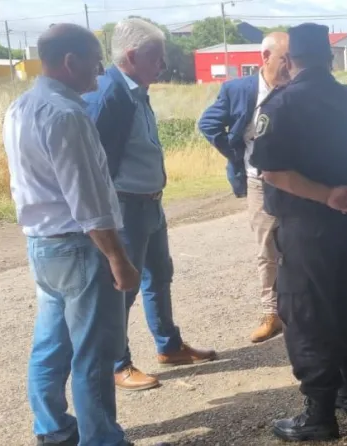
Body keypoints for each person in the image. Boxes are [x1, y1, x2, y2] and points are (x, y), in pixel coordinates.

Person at [249, 23, 347, 442]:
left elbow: (273, 171)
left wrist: (327, 195)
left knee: (308, 313)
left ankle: (319, 414)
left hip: (306, 227)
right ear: (330, 59)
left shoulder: (280, 105)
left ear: (290, 59)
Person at [3, 23, 138, 446]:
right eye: (96, 62)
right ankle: (101, 440)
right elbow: (88, 200)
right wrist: (118, 257)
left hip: (43, 246)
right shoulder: (66, 115)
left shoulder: (21, 106)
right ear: (70, 62)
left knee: (51, 344)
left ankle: (53, 428)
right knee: (93, 354)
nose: (99, 71)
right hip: (79, 247)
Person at [83, 17, 217, 393]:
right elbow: (98, 165)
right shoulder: (109, 95)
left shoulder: (136, 90)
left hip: (150, 205)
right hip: (126, 208)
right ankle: (117, 363)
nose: (162, 65)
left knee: (159, 275)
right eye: (155, 57)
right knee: (122, 287)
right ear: (130, 56)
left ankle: (169, 346)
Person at [198, 32, 290, 343]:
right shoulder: (237, 90)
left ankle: (300, 308)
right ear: (265, 58)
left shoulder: (296, 89)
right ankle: (271, 314)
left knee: (299, 244)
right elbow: (207, 124)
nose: (289, 67)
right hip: (258, 182)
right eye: (283, 60)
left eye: (292, 60)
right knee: (267, 249)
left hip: (297, 182)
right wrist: (236, 153)